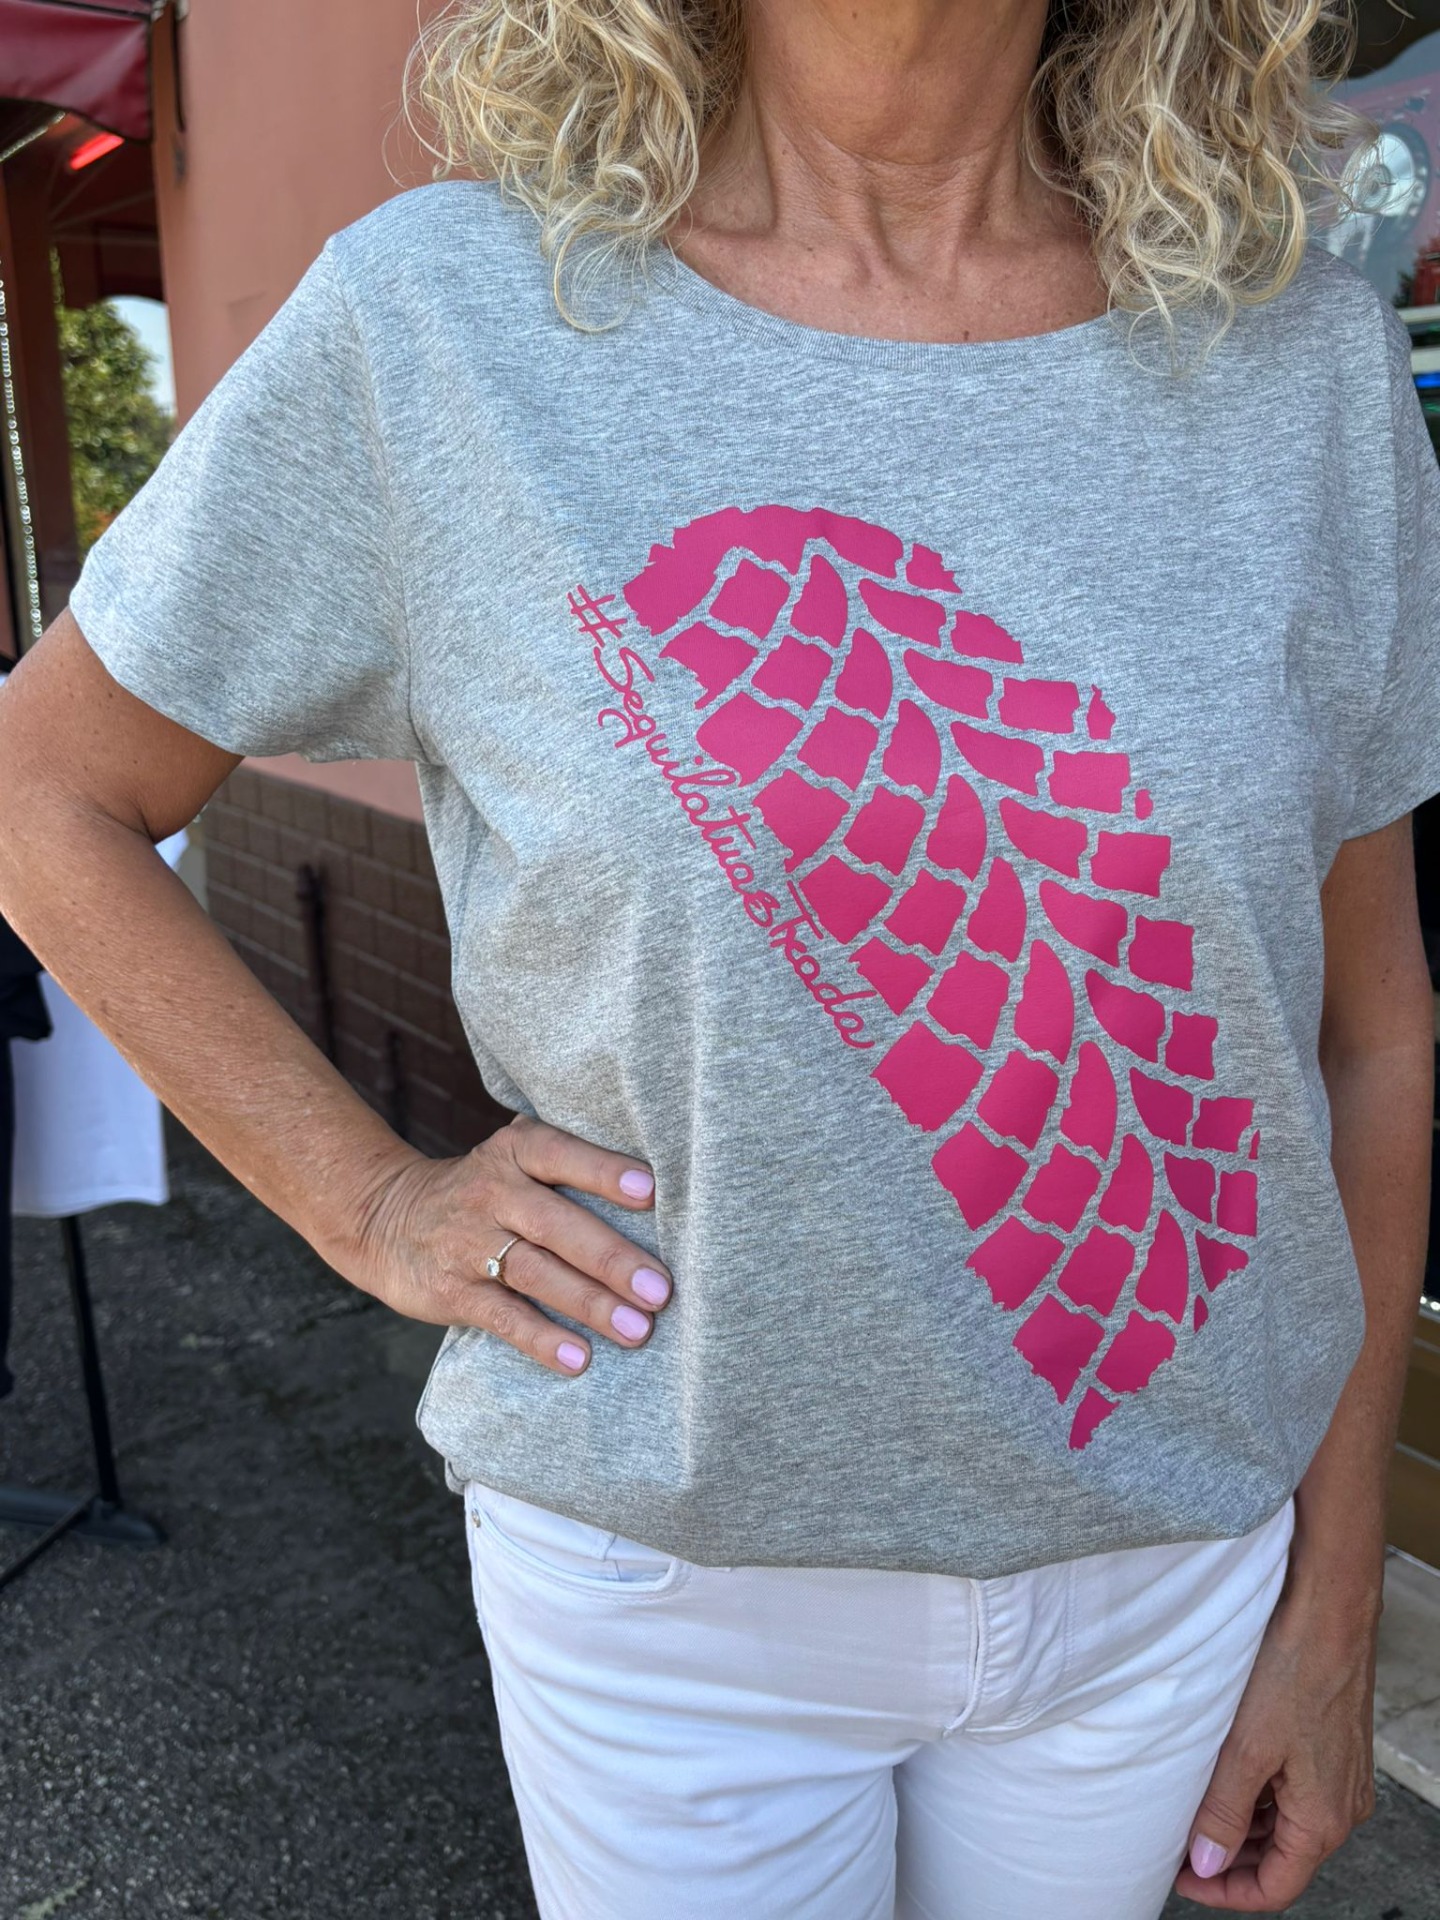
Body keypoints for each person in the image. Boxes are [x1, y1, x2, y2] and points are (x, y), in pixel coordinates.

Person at [0, 1, 1434, 1913]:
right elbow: (43, 791)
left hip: (1161, 1580)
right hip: (672, 1600)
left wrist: (1336, 1607)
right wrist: (372, 1202)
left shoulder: (1295, 360)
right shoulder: (451, 320)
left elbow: (1370, 1031)